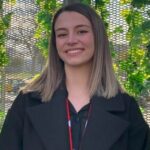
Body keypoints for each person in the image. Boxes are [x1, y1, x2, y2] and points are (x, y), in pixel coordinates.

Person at [0, 3, 150, 150]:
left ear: (98, 38)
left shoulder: (126, 108)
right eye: (62, 34)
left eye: (81, 31)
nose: (71, 40)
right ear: (55, 43)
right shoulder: (27, 102)